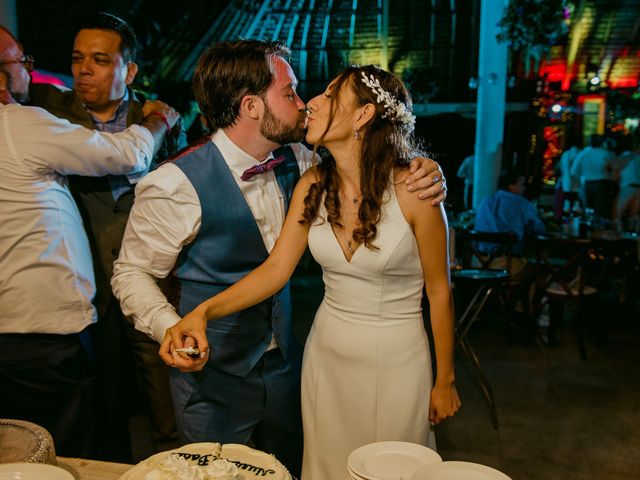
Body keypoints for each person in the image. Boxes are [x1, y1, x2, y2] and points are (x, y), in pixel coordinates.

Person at [111, 40, 447, 477]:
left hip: (290, 366)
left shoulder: (301, 160)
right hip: (214, 375)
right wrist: (170, 327)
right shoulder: (174, 184)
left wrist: (424, 167)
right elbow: (131, 272)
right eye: (289, 94)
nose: (304, 103)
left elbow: (368, 163)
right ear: (251, 106)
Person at [0, 25, 178, 457]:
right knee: (97, 415)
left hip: (152, 282)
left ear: (128, 70)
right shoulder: (48, 114)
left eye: (99, 60)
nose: (83, 71)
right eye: (78, 59)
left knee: (168, 403)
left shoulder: (153, 117)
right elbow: (126, 154)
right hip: (83, 302)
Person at [571, 134, 615, 221]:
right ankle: (597, 227)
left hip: (586, 183)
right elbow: (614, 168)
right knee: (599, 210)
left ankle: (586, 228)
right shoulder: (606, 153)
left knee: (587, 209)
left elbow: (574, 170)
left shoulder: (583, 153)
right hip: (602, 184)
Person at [616, 146, 640, 231]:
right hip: (638, 188)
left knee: (617, 214)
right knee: (635, 214)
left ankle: (621, 237)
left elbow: (616, 169)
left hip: (628, 187)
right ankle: (636, 237)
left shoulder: (626, 156)